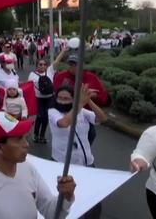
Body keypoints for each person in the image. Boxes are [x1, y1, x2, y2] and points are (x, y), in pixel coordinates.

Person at [0, 112, 76, 219]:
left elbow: (51, 213)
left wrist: (66, 196)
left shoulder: (28, 169)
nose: (26, 144)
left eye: (25, 137)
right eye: (19, 139)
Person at [49, 85, 107, 219]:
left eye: (66, 99)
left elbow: (102, 118)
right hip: (63, 163)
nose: (62, 101)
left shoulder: (82, 111)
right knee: (66, 199)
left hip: (87, 161)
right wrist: (80, 103)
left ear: (73, 100)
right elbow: (64, 123)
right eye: (60, 98)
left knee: (93, 198)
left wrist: (88, 101)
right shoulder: (52, 111)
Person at [28, 47, 68, 144]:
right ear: (37, 66)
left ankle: (42, 136)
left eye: (45, 64)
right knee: (40, 116)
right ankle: (36, 135)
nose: (43, 66)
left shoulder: (50, 71)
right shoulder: (32, 75)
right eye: (40, 64)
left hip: (49, 98)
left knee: (46, 117)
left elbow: (57, 61)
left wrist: (63, 51)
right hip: (39, 99)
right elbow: (28, 88)